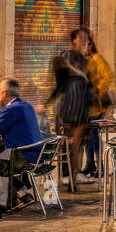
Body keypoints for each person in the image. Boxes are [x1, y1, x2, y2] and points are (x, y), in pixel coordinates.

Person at [0, 77, 45, 205]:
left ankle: (8, 199)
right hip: (36, 154)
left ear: (4, 94)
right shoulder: (25, 105)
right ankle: (20, 192)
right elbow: (12, 125)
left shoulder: (12, 109)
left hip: (24, 156)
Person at [47, 37, 93, 185]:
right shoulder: (67, 61)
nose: (87, 48)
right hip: (68, 113)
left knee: (79, 144)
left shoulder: (84, 66)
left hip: (81, 113)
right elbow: (59, 90)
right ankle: (67, 174)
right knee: (67, 143)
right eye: (85, 45)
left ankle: (76, 172)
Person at [80, 29, 116, 179]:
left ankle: (101, 166)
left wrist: (96, 90)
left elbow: (108, 77)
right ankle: (90, 164)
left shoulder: (96, 59)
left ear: (90, 44)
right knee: (88, 135)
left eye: (85, 44)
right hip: (86, 107)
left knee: (93, 134)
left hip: (96, 105)